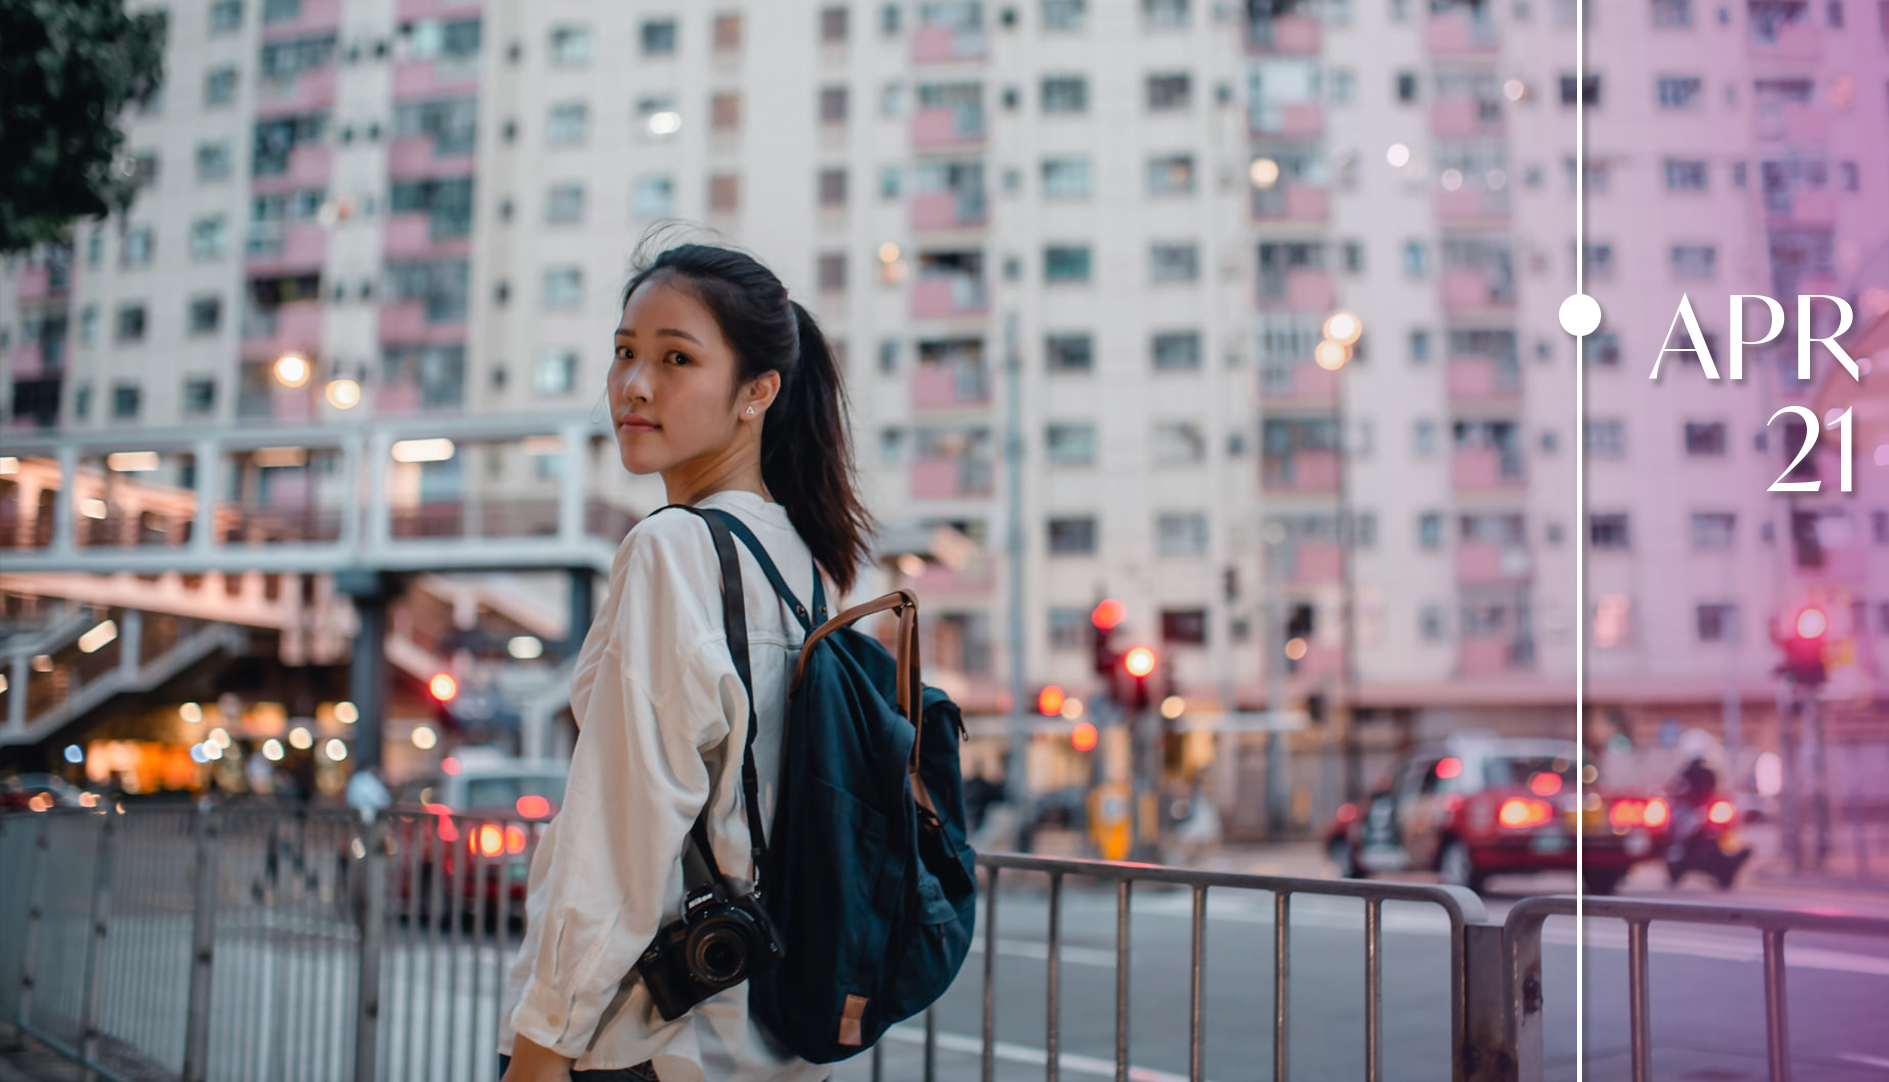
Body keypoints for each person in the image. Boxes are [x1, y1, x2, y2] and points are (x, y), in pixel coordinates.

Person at [497, 242, 873, 1082]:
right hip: (760, 1035)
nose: (633, 384)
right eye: (625, 351)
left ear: (757, 392)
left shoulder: (673, 549)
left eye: (675, 358)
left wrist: (539, 1046)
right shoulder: (805, 566)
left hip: (644, 1039)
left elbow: (621, 834)